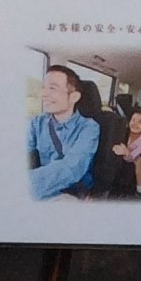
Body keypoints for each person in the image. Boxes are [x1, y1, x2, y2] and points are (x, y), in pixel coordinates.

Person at [27, 65, 100, 199]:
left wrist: (24, 184)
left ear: (74, 97)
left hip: (70, 192)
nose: (43, 94)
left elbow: (72, 168)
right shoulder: (37, 122)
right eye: (43, 87)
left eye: (52, 88)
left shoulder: (89, 127)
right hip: (44, 189)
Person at [102, 105, 141, 198]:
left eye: (140, 122)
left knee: (138, 159)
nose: (135, 124)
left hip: (130, 166)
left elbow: (131, 157)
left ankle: (140, 188)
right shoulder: (123, 132)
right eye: (133, 120)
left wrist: (125, 152)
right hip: (117, 164)